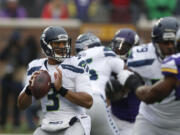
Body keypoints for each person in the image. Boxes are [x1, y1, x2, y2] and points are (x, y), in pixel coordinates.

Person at [17, 26, 93, 135]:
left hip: (74, 122)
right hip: (47, 125)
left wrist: (61, 90)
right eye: (57, 44)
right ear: (46, 45)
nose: (62, 47)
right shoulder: (35, 66)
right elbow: (21, 105)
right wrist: (29, 89)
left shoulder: (76, 63)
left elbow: (88, 102)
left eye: (64, 43)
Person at [126, 17, 180, 135]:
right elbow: (126, 71)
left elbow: (149, 95)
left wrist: (136, 86)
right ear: (155, 42)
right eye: (166, 42)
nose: (170, 46)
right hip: (149, 120)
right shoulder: (142, 55)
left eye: (173, 42)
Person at [75, 32, 136, 135]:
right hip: (97, 101)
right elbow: (128, 74)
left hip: (77, 105)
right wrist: (122, 90)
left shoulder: (73, 60)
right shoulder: (104, 52)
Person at [109, 28, 141, 135]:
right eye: (117, 45)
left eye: (124, 47)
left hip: (133, 121)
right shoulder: (110, 63)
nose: (118, 49)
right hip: (113, 114)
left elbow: (118, 92)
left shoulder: (139, 65)